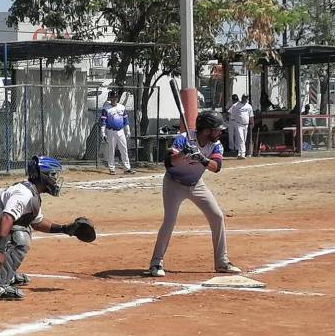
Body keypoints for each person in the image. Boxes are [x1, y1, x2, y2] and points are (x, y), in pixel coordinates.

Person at [0, 156, 88, 300]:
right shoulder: (24, 194)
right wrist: (0, 251)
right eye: (52, 175)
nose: (55, 179)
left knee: (23, 229)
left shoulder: (32, 193)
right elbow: (7, 218)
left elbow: (37, 222)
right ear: (42, 175)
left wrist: (65, 229)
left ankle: (7, 274)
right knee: (20, 234)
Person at [146, 111, 242, 277]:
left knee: (217, 216)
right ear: (206, 131)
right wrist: (183, 154)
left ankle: (222, 262)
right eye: (217, 129)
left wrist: (201, 159)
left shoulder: (216, 145)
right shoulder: (183, 138)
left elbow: (216, 167)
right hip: (174, 183)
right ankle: (156, 263)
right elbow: (168, 163)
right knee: (169, 221)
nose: (220, 132)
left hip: (197, 184)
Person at [100, 90, 135, 175]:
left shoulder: (122, 107)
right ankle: (112, 168)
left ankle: (127, 168)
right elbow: (103, 121)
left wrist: (128, 130)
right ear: (109, 98)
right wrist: (103, 132)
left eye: (115, 97)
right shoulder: (106, 108)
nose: (114, 99)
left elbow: (125, 120)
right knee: (111, 150)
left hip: (120, 130)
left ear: (117, 98)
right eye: (112, 97)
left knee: (124, 149)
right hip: (111, 131)